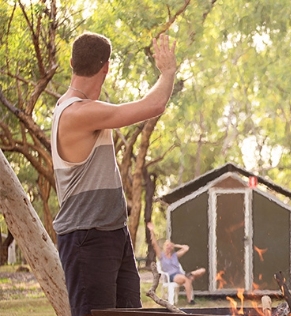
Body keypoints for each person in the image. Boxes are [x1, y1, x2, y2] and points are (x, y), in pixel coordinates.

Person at [51, 32, 177, 316]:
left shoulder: (82, 109)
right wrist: (168, 71)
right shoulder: (76, 112)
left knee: (130, 313)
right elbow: (153, 105)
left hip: (111, 232)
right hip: (87, 236)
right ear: (106, 67)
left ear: (72, 62)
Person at [147, 222, 206, 305]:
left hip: (180, 274)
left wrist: (176, 245)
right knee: (187, 279)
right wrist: (151, 231)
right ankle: (190, 300)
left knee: (202, 270)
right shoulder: (161, 256)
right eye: (167, 245)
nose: (169, 247)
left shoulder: (175, 255)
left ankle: (189, 275)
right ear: (164, 246)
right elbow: (154, 243)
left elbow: (186, 248)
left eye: (170, 246)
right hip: (172, 276)